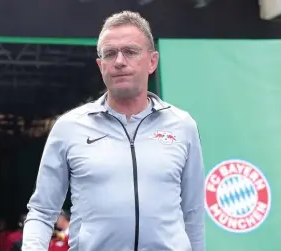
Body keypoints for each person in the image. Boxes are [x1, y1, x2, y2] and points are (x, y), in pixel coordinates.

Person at [22, 10, 205, 251]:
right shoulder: (69, 128)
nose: (119, 61)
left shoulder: (182, 125)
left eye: (130, 51)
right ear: (100, 65)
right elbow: (43, 211)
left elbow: (193, 213)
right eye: (110, 54)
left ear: (152, 61)